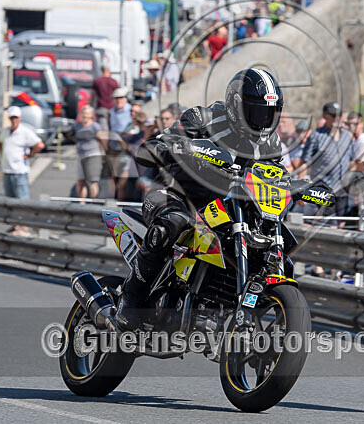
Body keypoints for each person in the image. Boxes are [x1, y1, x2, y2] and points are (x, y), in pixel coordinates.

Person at [113, 68, 293, 330]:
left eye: (270, 112)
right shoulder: (203, 118)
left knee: (281, 246)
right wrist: (170, 146)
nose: (264, 120)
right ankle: (132, 297)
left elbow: (276, 178)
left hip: (222, 209)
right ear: (236, 107)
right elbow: (154, 145)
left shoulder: (271, 144)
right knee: (172, 222)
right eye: (257, 112)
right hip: (177, 196)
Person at [298, 102, 354, 216]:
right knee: (330, 221)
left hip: (342, 189)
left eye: (339, 115)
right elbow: (304, 163)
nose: (337, 119)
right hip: (323, 188)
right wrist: (299, 191)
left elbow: (351, 162)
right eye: (333, 116)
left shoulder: (347, 136)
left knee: (340, 223)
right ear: (325, 116)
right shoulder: (316, 136)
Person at [0, 106, 44, 202]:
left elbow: (39, 145)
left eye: (16, 117)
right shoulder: (6, 131)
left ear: (20, 118)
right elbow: (0, 142)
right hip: (7, 171)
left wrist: (30, 155)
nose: (14, 120)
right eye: (12, 118)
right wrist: (3, 155)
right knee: (8, 199)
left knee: (22, 199)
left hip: (19, 172)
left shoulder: (25, 131)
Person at [74, 107, 105, 200]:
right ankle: (81, 202)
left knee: (92, 181)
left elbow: (102, 139)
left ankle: (93, 202)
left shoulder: (95, 126)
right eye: (83, 113)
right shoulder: (78, 126)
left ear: (91, 115)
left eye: (87, 113)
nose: (85, 115)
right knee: (80, 180)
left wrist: (104, 153)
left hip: (93, 154)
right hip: (80, 155)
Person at [91, 65, 120, 129]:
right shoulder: (114, 81)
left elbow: (93, 95)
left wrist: (91, 106)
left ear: (102, 71)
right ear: (108, 71)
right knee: (113, 128)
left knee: (103, 129)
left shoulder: (97, 81)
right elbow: (118, 95)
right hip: (112, 107)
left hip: (101, 107)